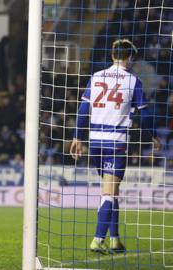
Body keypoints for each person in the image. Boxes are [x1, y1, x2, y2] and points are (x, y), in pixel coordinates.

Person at [70, 39, 162, 254]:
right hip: (116, 142)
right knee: (109, 192)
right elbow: (145, 114)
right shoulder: (133, 80)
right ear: (130, 57)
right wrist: (153, 136)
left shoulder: (96, 76)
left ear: (112, 56)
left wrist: (77, 137)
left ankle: (115, 239)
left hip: (95, 141)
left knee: (112, 190)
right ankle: (97, 239)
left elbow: (84, 109)